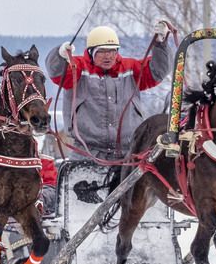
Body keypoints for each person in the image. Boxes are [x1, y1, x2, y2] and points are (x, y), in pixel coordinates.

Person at [46, 21, 174, 161]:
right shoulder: (77, 68)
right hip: (86, 154)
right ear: (91, 52)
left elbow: (157, 72)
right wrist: (59, 55)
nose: (108, 56)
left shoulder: (131, 69)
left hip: (128, 154)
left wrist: (160, 44)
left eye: (112, 51)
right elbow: (57, 72)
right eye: (102, 51)